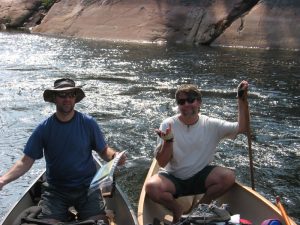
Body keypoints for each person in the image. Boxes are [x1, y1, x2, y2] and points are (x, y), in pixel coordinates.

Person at [0, 78, 125, 224]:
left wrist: (114, 156)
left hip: (87, 188)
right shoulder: (44, 129)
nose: (67, 99)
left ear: (75, 98)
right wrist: (3, 180)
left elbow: (103, 150)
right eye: (62, 95)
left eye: (71, 95)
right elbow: (26, 161)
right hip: (55, 191)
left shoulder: (88, 123)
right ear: (54, 98)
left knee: (98, 223)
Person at [145, 81, 249, 223]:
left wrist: (241, 99)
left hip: (200, 175)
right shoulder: (168, 124)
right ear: (178, 105)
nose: (186, 104)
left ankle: (200, 210)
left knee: (228, 177)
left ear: (199, 102)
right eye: (182, 102)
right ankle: (177, 209)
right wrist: (168, 142)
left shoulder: (212, 124)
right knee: (152, 187)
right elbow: (162, 162)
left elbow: (242, 128)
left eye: (191, 100)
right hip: (173, 176)